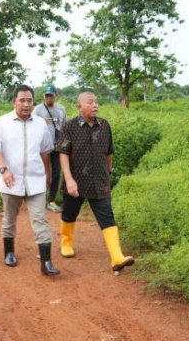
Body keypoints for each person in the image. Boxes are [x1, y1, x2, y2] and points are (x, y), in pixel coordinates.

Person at [56, 91, 134, 273]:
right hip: (76, 181)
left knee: (107, 216)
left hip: (99, 180)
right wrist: (68, 179)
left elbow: (109, 151)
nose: (95, 105)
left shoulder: (104, 125)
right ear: (79, 106)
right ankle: (66, 243)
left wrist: (109, 172)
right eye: (90, 102)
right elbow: (63, 154)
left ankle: (116, 257)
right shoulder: (69, 127)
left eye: (96, 102)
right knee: (69, 213)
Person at [0, 84, 60, 276]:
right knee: (9, 219)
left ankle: (46, 263)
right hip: (10, 180)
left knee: (40, 219)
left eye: (29, 100)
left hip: (36, 180)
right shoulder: (2, 122)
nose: (26, 104)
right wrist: (4, 169)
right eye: (22, 100)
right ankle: (9, 252)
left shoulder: (40, 123)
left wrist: (48, 174)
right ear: (14, 102)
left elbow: (45, 151)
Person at [33, 84, 67, 213]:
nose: (48, 98)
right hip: (42, 148)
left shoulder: (61, 110)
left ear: (55, 96)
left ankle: (51, 200)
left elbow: (64, 127)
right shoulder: (37, 110)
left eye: (51, 96)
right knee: (42, 173)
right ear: (43, 96)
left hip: (57, 147)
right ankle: (39, 198)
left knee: (56, 173)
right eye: (46, 96)